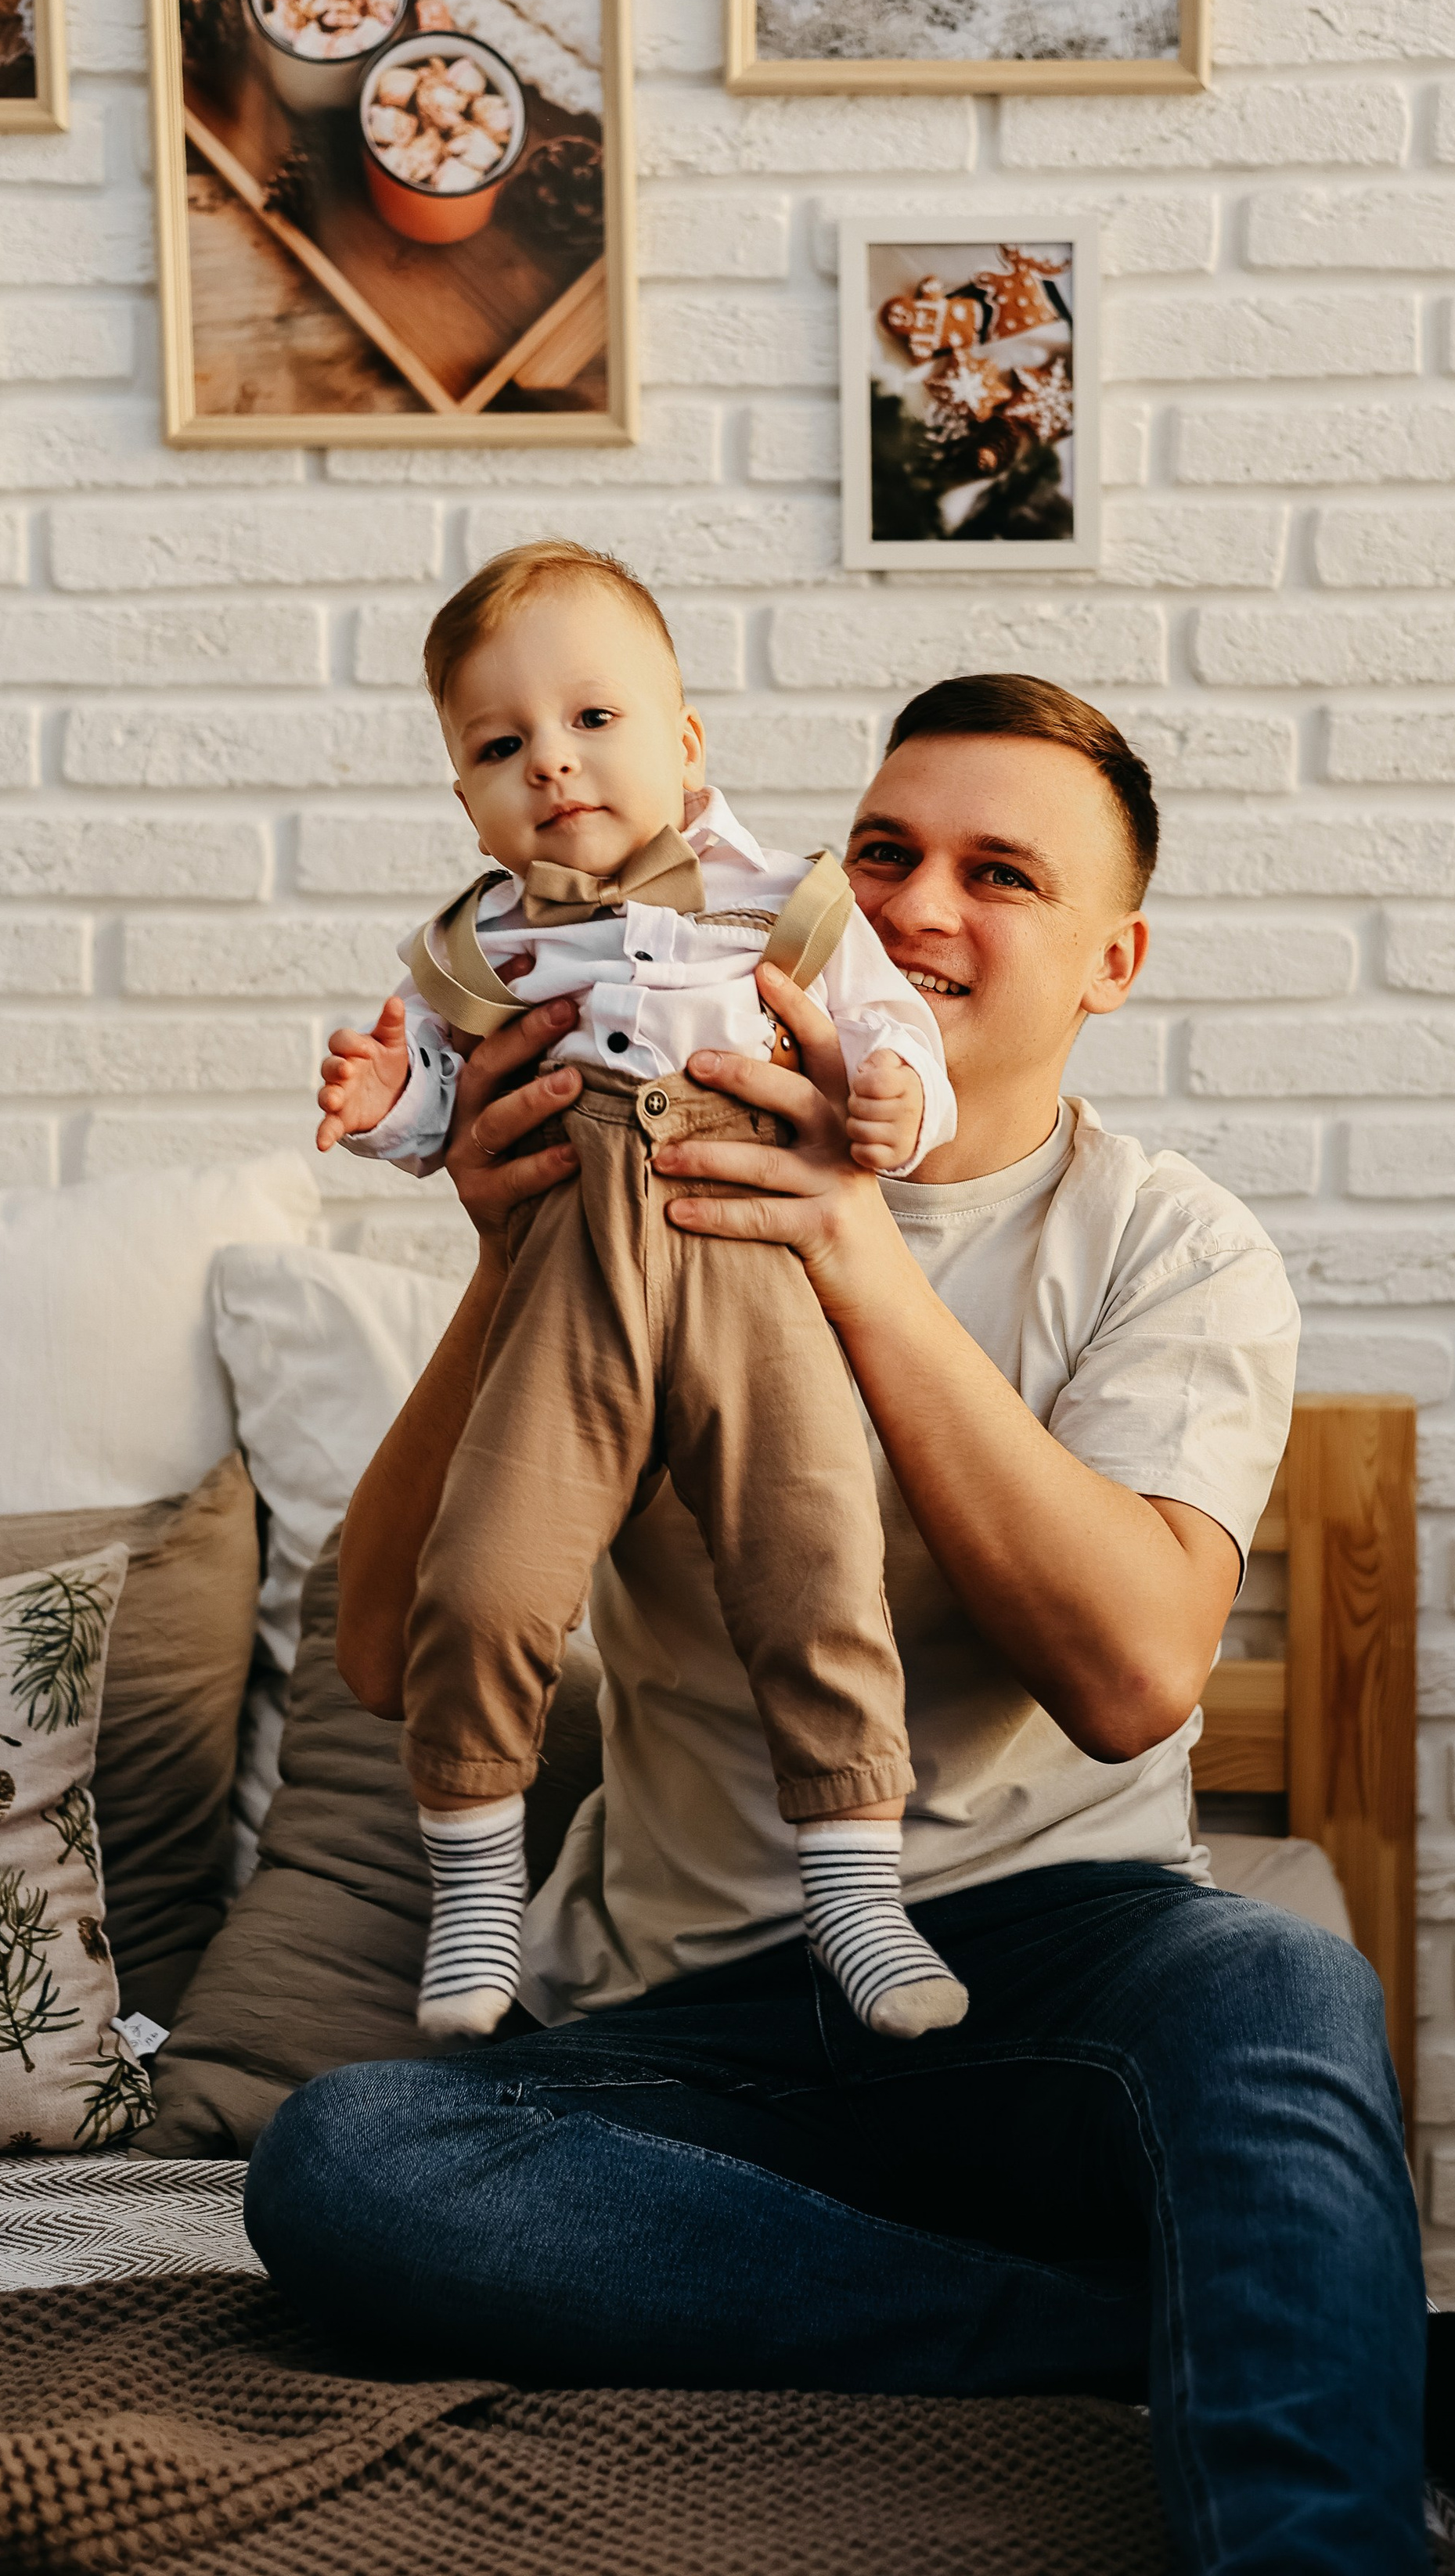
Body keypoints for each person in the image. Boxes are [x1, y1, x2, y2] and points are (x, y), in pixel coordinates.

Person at [247, 670, 1455, 2574]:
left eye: (998, 874)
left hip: (1055, 1977)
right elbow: (381, 1659)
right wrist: (520, 1260)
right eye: (882, 853)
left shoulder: (1169, 1246)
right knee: (347, 2165)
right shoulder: (650, 1177)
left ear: (1111, 961)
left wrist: (855, 1248)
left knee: (1281, 1987)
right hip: (695, 2023)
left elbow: (1131, 1679)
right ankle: (1141, 2327)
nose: (921, 906)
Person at [315, 540, 963, 2041]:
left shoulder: (794, 904)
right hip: (566, 1289)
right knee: (483, 1581)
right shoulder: (480, 945)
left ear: (686, 744)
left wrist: (897, 1106)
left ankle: (856, 1893)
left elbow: (893, 1037)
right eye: (500, 747)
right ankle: (478, 1887)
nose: (551, 761)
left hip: (752, 1278)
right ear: (465, 800)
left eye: (593, 719)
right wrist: (385, 1100)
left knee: (817, 1561)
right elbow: (440, 1113)